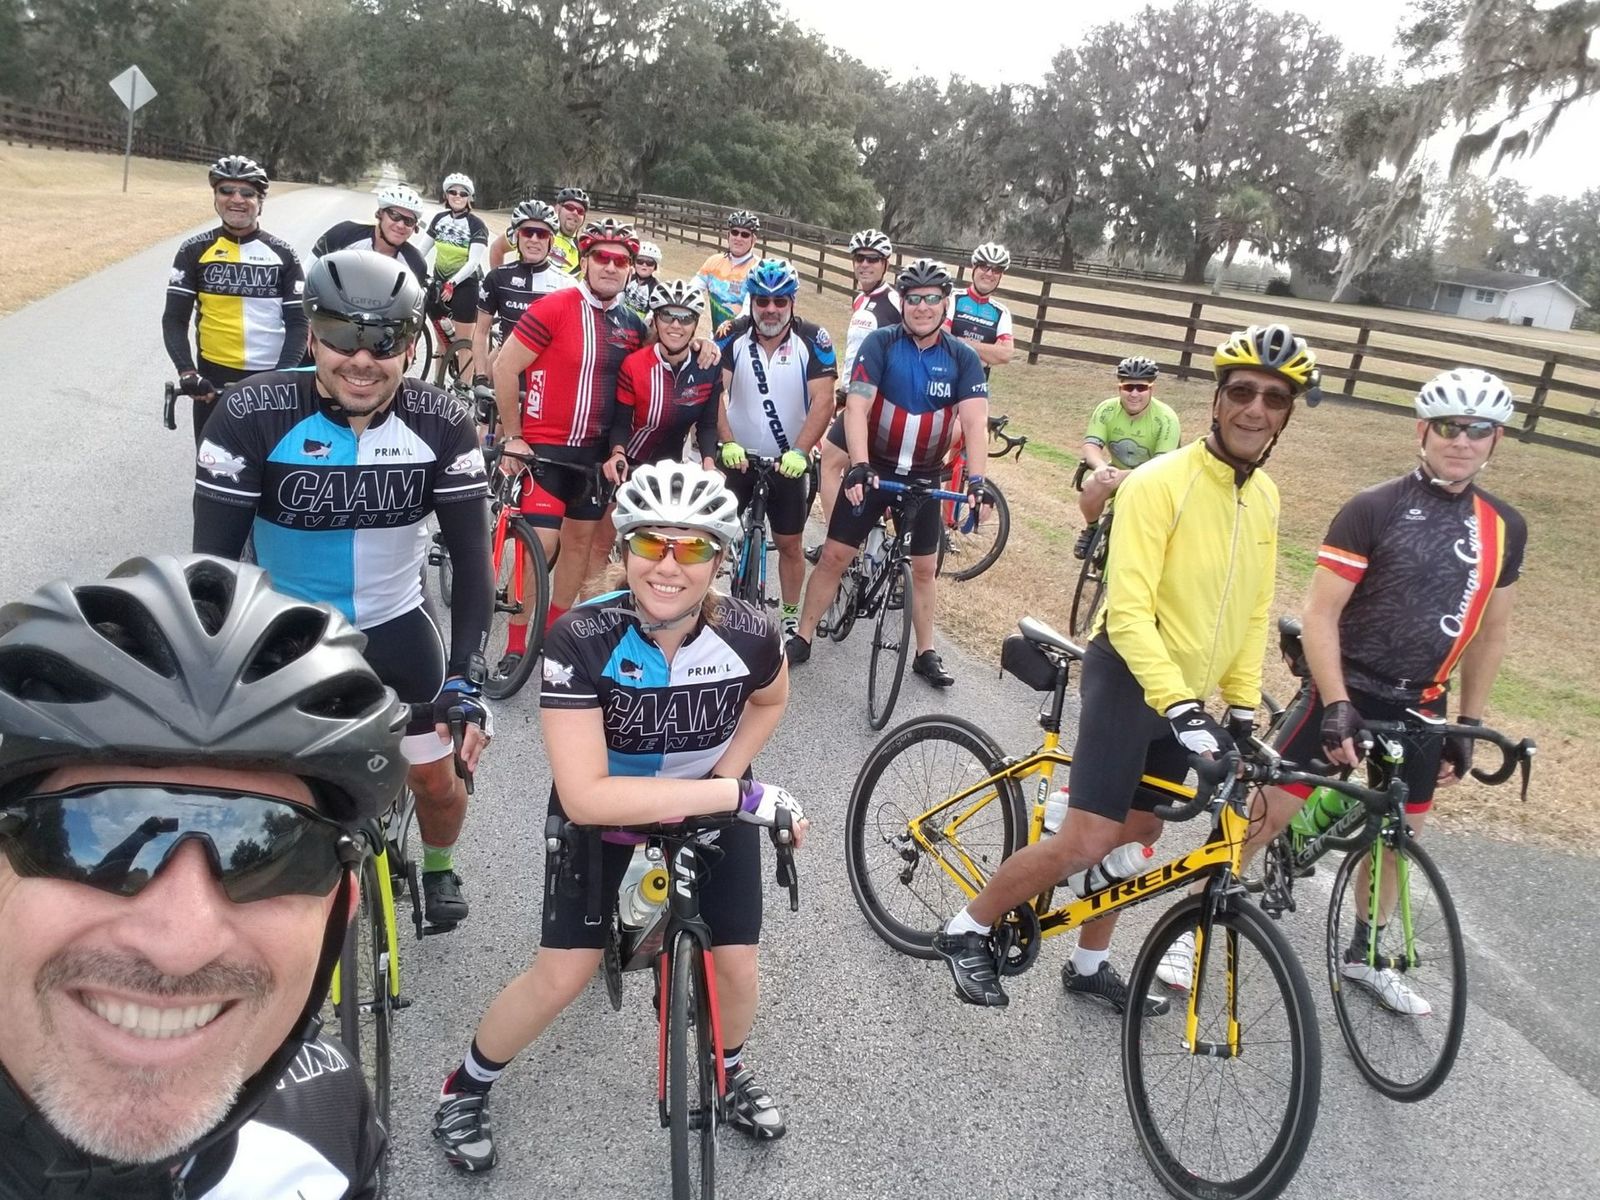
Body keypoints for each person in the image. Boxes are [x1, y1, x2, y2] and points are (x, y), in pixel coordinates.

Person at [431, 462, 808, 1173]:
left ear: (720, 560)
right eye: (651, 543)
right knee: (561, 976)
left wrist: (726, 777)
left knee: (737, 964)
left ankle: (727, 1073)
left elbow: (770, 698)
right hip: (611, 816)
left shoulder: (753, 633)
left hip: (711, 803)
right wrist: (736, 797)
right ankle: (465, 1086)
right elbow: (585, 798)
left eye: (691, 548)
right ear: (625, 547)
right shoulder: (581, 638)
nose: (668, 565)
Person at [930, 323, 1317, 1011]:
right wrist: (1181, 706)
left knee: (1142, 831)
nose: (1256, 409)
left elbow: (1252, 608)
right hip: (1130, 676)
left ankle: (1087, 965)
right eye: (1242, 392)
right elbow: (1130, 614)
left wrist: (1240, 705)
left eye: (1274, 399)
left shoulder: (1265, 496)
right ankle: (968, 928)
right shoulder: (1158, 484)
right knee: (1089, 839)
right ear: (1216, 401)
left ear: (1287, 415)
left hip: (1182, 696)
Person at [0, 553, 407, 1197]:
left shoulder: (328, 1116)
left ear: (342, 904)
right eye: (90, 832)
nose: (180, 945)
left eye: (270, 852)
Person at [1156, 368, 1526, 1013]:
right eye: (1449, 427)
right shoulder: (1374, 508)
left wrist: (1466, 723)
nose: (1461, 441)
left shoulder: (1504, 526)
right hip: (1346, 686)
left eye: (1478, 430)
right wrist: (1336, 703)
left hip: (1424, 701)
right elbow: (1322, 615)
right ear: (1423, 430)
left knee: (1399, 835)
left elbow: (1491, 633)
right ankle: (1193, 925)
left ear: (1495, 439)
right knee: (1265, 812)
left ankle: (1366, 954)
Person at [192, 248, 494, 931]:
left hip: (396, 629)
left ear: (411, 345)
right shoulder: (252, 412)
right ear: (311, 335)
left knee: (436, 779)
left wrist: (465, 680)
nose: (362, 359)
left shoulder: (441, 422)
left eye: (383, 341)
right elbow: (211, 572)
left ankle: (439, 865)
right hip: (284, 639)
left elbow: (474, 567)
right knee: (271, 796)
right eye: (341, 336)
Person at [788, 259, 988, 686]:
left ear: (945, 303)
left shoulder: (962, 357)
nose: (922, 307)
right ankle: (802, 636)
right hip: (876, 468)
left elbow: (974, 423)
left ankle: (925, 652)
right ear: (903, 303)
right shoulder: (881, 344)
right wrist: (859, 466)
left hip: (924, 476)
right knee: (835, 555)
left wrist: (977, 481)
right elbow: (857, 407)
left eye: (931, 299)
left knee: (924, 568)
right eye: (913, 299)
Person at [716, 259, 837, 637]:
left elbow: (824, 401)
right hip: (738, 459)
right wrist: (727, 441)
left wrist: (801, 451)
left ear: (792, 302)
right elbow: (713, 393)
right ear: (751, 301)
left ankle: (788, 614)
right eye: (762, 301)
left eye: (779, 301)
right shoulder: (731, 335)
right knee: (713, 535)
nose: (770, 309)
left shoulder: (813, 340)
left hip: (788, 462)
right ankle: (703, 601)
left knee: (790, 544)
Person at [163, 155, 307, 446]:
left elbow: (298, 323)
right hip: (212, 379)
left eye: (247, 193)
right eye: (226, 191)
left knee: (272, 463)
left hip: (269, 377)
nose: (236, 199)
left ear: (260, 201)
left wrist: (283, 375)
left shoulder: (283, 254)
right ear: (215, 198)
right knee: (212, 463)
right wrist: (187, 371)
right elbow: (174, 320)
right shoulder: (193, 250)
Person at [812, 229, 901, 540]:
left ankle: (837, 542)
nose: (864, 264)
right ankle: (856, 535)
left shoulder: (894, 301)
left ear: (886, 264)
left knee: (829, 463)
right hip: (853, 396)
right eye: (859, 258)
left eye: (872, 259)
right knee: (853, 468)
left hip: (874, 402)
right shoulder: (862, 299)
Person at [606, 280, 721, 472]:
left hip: (673, 466)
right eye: (667, 316)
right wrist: (618, 454)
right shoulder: (634, 364)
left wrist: (709, 464)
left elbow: (708, 425)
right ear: (655, 321)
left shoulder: (707, 366)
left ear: (695, 324)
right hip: (631, 463)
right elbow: (621, 423)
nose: (676, 325)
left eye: (686, 318)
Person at [1074, 356, 1182, 557]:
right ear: (1119, 388)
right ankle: (1092, 529)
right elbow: (1091, 445)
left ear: (1151, 389)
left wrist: (1122, 476)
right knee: (1091, 488)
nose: (1134, 393)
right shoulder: (1106, 409)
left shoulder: (1167, 419)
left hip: (1156, 481)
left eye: (1141, 388)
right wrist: (1100, 467)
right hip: (1116, 472)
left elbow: (1162, 466)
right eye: (1128, 387)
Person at [470, 200, 575, 401]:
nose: (534, 239)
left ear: (551, 240)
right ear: (517, 236)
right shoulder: (498, 278)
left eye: (542, 234)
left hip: (546, 380)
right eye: (528, 232)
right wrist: (481, 377)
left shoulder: (567, 284)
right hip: (504, 374)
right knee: (485, 422)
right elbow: (481, 331)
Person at [309, 182, 431, 292]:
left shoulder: (416, 263)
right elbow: (308, 272)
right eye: (394, 215)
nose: (400, 225)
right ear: (380, 214)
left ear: (415, 227)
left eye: (409, 221)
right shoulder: (345, 234)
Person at [426, 173, 489, 336]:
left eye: (463, 193)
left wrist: (452, 283)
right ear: (446, 195)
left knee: (462, 343)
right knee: (442, 344)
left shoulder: (476, 225)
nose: (457, 196)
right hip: (440, 283)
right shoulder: (439, 219)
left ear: (469, 198)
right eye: (453, 192)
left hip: (465, 285)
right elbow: (421, 250)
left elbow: (473, 262)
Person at [947, 242, 1016, 378]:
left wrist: (959, 341)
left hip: (977, 384)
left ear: (1001, 275)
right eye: (984, 266)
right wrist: (987, 353)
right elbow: (942, 339)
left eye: (996, 270)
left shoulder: (1002, 313)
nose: (989, 273)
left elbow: (1006, 354)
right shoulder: (952, 297)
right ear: (974, 267)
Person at [696, 210, 762, 332]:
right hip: (716, 335)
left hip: (745, 336)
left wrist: (730, 330)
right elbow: (692, 290)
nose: (738, 238)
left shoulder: (758, 269)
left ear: (753, 240)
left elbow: (748, 308)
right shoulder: (713, 261)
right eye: (735, 232)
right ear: (728, 235)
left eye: (745, 235)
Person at [549, 187, 590, 276]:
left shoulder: (582, 253)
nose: (575, 213)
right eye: (570, 207)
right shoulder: (539, 234)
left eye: (580, 211)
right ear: (557, 209)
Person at [621, 240, 668, 318]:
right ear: (634, 263)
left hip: (640, 323)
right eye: (640, 261)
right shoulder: (628, 278)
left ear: (655, 267)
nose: (644, 265)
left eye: (649, 263)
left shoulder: (655, 287)